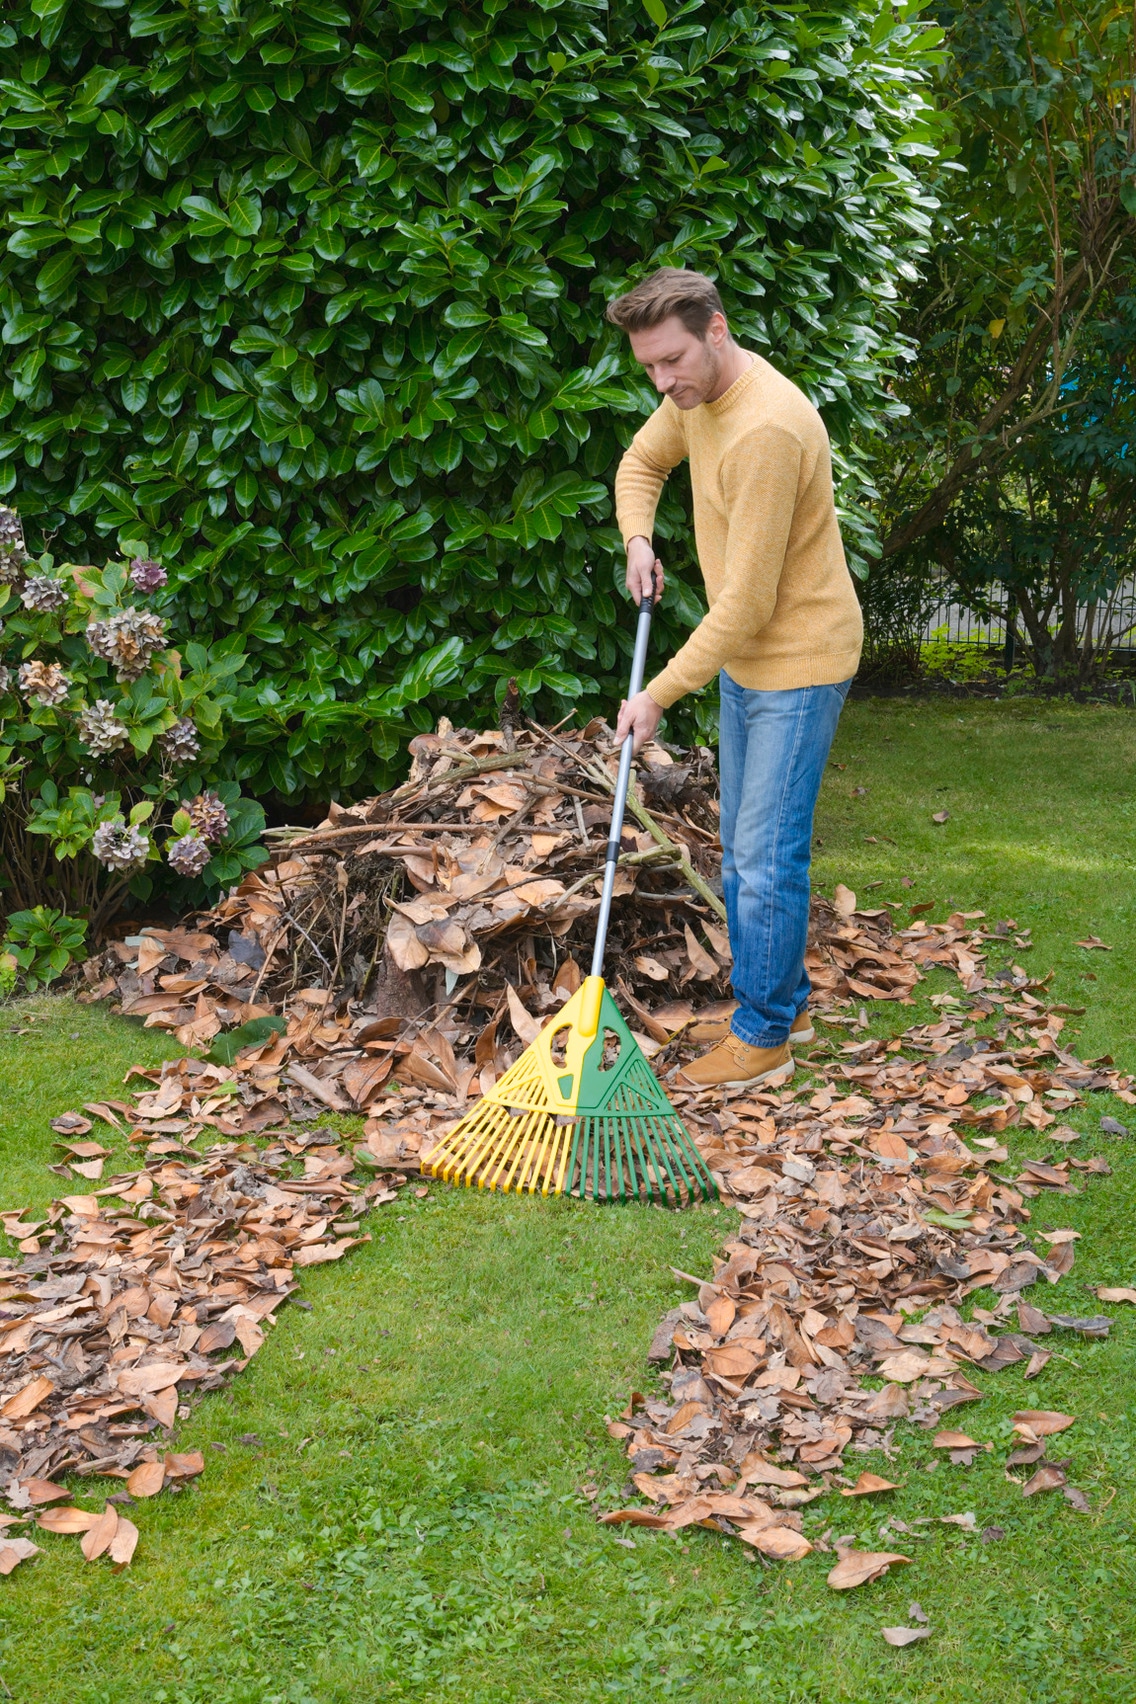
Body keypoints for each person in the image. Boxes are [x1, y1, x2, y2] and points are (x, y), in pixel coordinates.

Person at [606, 268, 863, 1089]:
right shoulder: (697, 399)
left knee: (763, 852)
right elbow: (640, 465)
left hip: (799, 657)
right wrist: (637, 540)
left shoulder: (767, 431)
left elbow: (746, 605)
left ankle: (762, 1040)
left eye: (672, 360)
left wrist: (657, 695)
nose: (662, 380)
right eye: (649, 367)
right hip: (750, 656)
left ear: (716, 331)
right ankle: (780, 1002)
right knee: (752, 849)